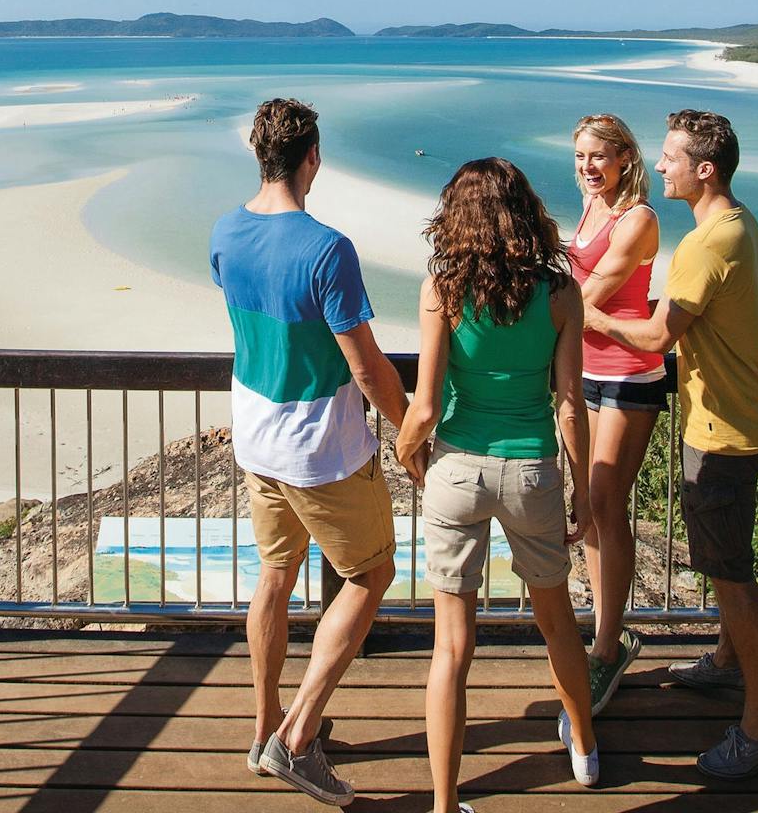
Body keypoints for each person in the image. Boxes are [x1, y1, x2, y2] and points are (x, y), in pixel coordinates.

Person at [579, 109, 758, 779]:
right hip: (737, 416)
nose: (662, 164)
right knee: (727, 564)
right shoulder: (738, 222)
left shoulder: (705, 245)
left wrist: (574, 309)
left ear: (704, 169)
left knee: (731, 578)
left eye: (672, 156)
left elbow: (652, 338)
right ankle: (728, 661)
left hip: (723, 429)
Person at [211, 98, 407, 807]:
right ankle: (297, 738)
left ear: (259, 154)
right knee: (370, 573)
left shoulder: (225, 232)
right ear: (312, 158)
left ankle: (264, 729)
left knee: (274, 573)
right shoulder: (327, 248)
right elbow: (367, 368)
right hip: (320, 446)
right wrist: (412, 428)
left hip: (257, 436)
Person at [394, 158, 600, 812]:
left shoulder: (442, 290)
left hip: (457, 467)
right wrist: (584, 490)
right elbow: (571, 405)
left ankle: (444, 800)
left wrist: (408, 455)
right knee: (557, 622)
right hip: (533, 469)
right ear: (526, 213)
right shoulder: (561, 293)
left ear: (454, 220)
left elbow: (424, 408)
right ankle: (587, 751)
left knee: (452, 644)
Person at [565, 113, 663, 711]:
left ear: (625, 156)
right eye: (579, 157)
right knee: (593, 507)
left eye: (597, 156)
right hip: (584, 372)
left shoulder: (639, 219)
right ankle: (607, 628)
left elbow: (586, 296)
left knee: (605, 500)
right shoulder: (588, 208)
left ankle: (607, 645)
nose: (587, 167)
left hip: (628, 377)